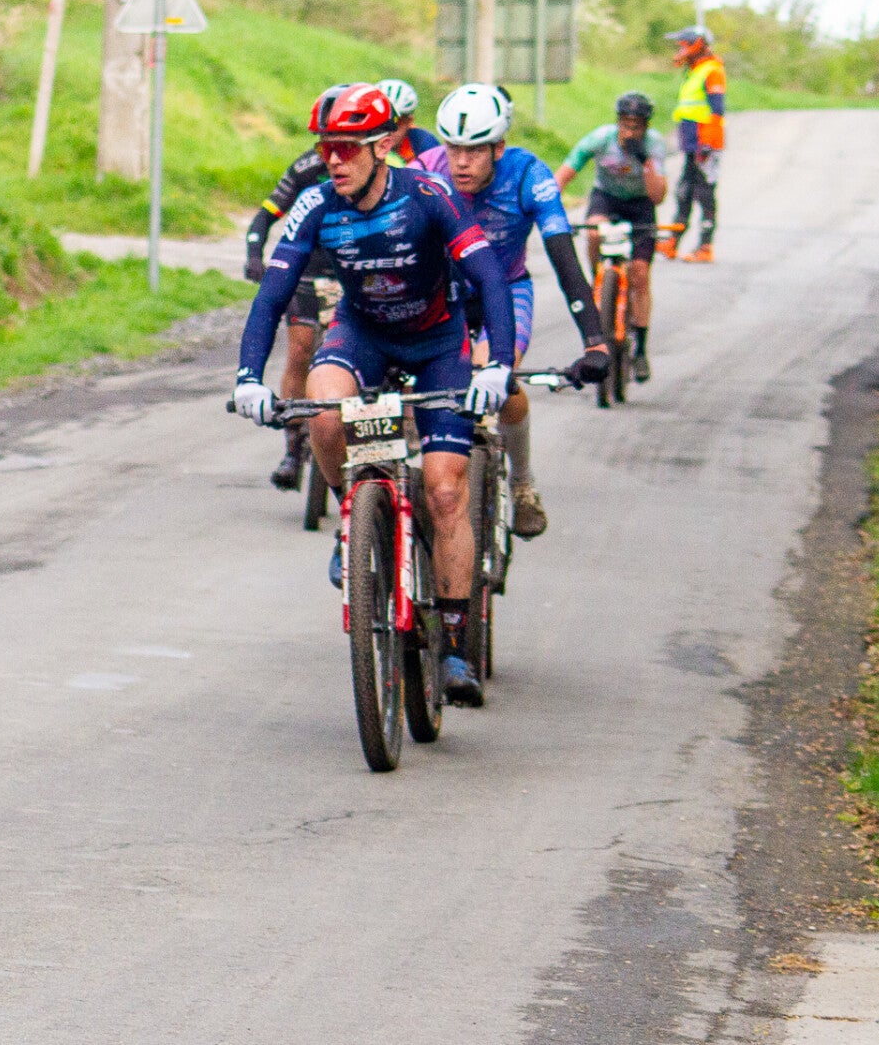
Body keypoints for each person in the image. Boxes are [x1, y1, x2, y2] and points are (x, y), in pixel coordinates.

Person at [232, 83, 518, 704]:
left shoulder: (429, 195)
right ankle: (352, 519)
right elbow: (272, 295)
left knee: (445, 491)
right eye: (325, 148)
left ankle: (454, 642)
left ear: (382, 146)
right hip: (363, 336)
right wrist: (248, 377)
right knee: (324, 412)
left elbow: (489, 278)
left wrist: (496, 365)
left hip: (437, 343)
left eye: (347, 148)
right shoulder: (316, 204)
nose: (334, 161)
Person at [433, 83, 610, 539]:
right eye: (453, 148)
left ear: (499, 148)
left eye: (475, 151)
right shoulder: (426, 170)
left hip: (508, 291)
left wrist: (595, 341)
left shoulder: (530, 176)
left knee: (496, 377)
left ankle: (523, 482)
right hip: (444, 295)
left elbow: (566, 262)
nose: (461, 162)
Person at [556, 92, 669, 381]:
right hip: (606, 198)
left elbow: (657, 196)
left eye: (637, 125)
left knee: (640, 274)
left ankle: (640, 349)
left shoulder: (654, 145)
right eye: (626, 123)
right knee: (594, 230)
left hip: (641, 204)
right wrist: (547, 208)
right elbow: (565, 174)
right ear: (618, 121)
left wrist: (644, 161)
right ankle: (599, 278)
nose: (630, 131)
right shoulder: (600, 139)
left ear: (646, 126)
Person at [244, 145, 336, 489]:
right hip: (307, 272)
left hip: (349, 271)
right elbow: (265, 216)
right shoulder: (305, 169)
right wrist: (254, 254)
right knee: (299, 350)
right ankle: (293, 447)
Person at [660, 26, 726, 262]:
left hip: (704, 145)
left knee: (704, 193)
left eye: (684, 46)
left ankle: (705, 247)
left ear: (697, 45)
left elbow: (717, 111)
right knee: (684, 191)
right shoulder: (695, 71)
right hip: (691, 143)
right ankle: (672, 242)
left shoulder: (712, 71)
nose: (680, 51)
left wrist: (707, 144)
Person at [376, 79, 441, 166]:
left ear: (409, 121)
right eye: (381, 120)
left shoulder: (425, 145)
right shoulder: (361, 137)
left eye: (396, 121)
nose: (387, 129)